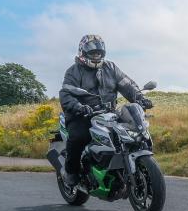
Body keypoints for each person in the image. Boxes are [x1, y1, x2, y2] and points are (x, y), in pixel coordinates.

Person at [59, 34, 153, 187]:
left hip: (109, 113)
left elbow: (127, 85)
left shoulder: (111, 67)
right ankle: (71, 172)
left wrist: (140, 98)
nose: (96, 56)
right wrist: (79, 107)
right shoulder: (73, 71)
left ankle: (126, 165)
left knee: (131, 131)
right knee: (79, 137)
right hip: (82, 115)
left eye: (99, 53)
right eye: (92, 53)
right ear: (83, 53)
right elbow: (66, 94)